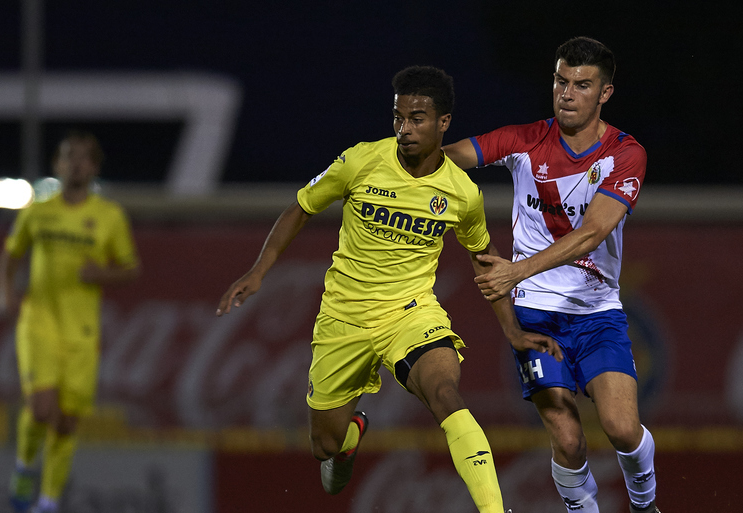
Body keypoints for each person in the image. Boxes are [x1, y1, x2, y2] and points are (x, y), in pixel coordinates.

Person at [216, 65, 562, 513]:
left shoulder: (461, 194)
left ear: (444, 123)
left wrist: (513, 331)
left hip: (411, 313)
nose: (405, 129)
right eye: (399, 118)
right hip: (344, 317)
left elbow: (485, 260)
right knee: (324, 446)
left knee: (445, 393)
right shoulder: (361, 161)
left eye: (417, 119)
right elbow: (301, 207)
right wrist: (260, 269)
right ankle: (349, 437)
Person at [443, 37, 659, 513]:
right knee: (568, 441)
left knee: (622, 429)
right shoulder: (522, 140)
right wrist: (397, 165)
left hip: (597, 312)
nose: (567, 93)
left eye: (582, 85)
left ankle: (645, 507)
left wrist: (515, 270)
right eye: (561, 81)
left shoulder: (625, 154)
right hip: (536, 315)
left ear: (605, 94)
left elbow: (593, 232)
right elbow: (447, 158)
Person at [0, 131, 141, 513]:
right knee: (41, 409)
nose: (75, 163)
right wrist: (6, 292)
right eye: (68, 157)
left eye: (83, 158)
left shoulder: (108, 216)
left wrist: (101, 275)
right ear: (56, 165)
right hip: (39, 318)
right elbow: (11, 254)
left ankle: (48, 501)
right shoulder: (38, 212)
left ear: (94, 166)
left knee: (66, 422)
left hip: (82, 330)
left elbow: (130, 269)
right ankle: (25, 466)